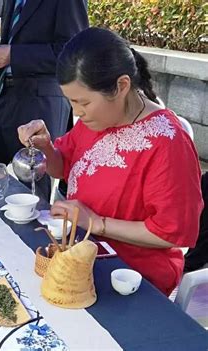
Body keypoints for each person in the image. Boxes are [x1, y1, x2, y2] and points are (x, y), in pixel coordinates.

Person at [17, 27, 203, 296]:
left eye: (84, 103)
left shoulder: (168, 142)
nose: (77, 113)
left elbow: (171, 233)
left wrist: (98, 222)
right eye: (72, 102)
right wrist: (45, 145)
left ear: (122, 86)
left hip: (132, 274)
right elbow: (62, 166)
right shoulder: (96, 121)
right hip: (79, 251)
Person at [0, 0, 88, 165]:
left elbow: (74, 53)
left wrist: (14, 55)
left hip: (40, 103)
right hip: (1, 97)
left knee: (33, 182)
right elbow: (13, 41)